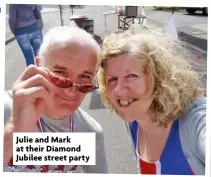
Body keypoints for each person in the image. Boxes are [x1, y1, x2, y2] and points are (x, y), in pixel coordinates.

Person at [97, 25, 206, 175]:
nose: (119, 90)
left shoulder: (196, 122)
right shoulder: (133, 122)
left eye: (131, 76)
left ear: (158, 78)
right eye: (112, 79)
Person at [4, 26, 108, 173]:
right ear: (39, 66)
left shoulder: (90, 132)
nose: (71, 90)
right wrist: (14, 128)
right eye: (60, 74)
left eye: (84, 77)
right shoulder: (5, 108)